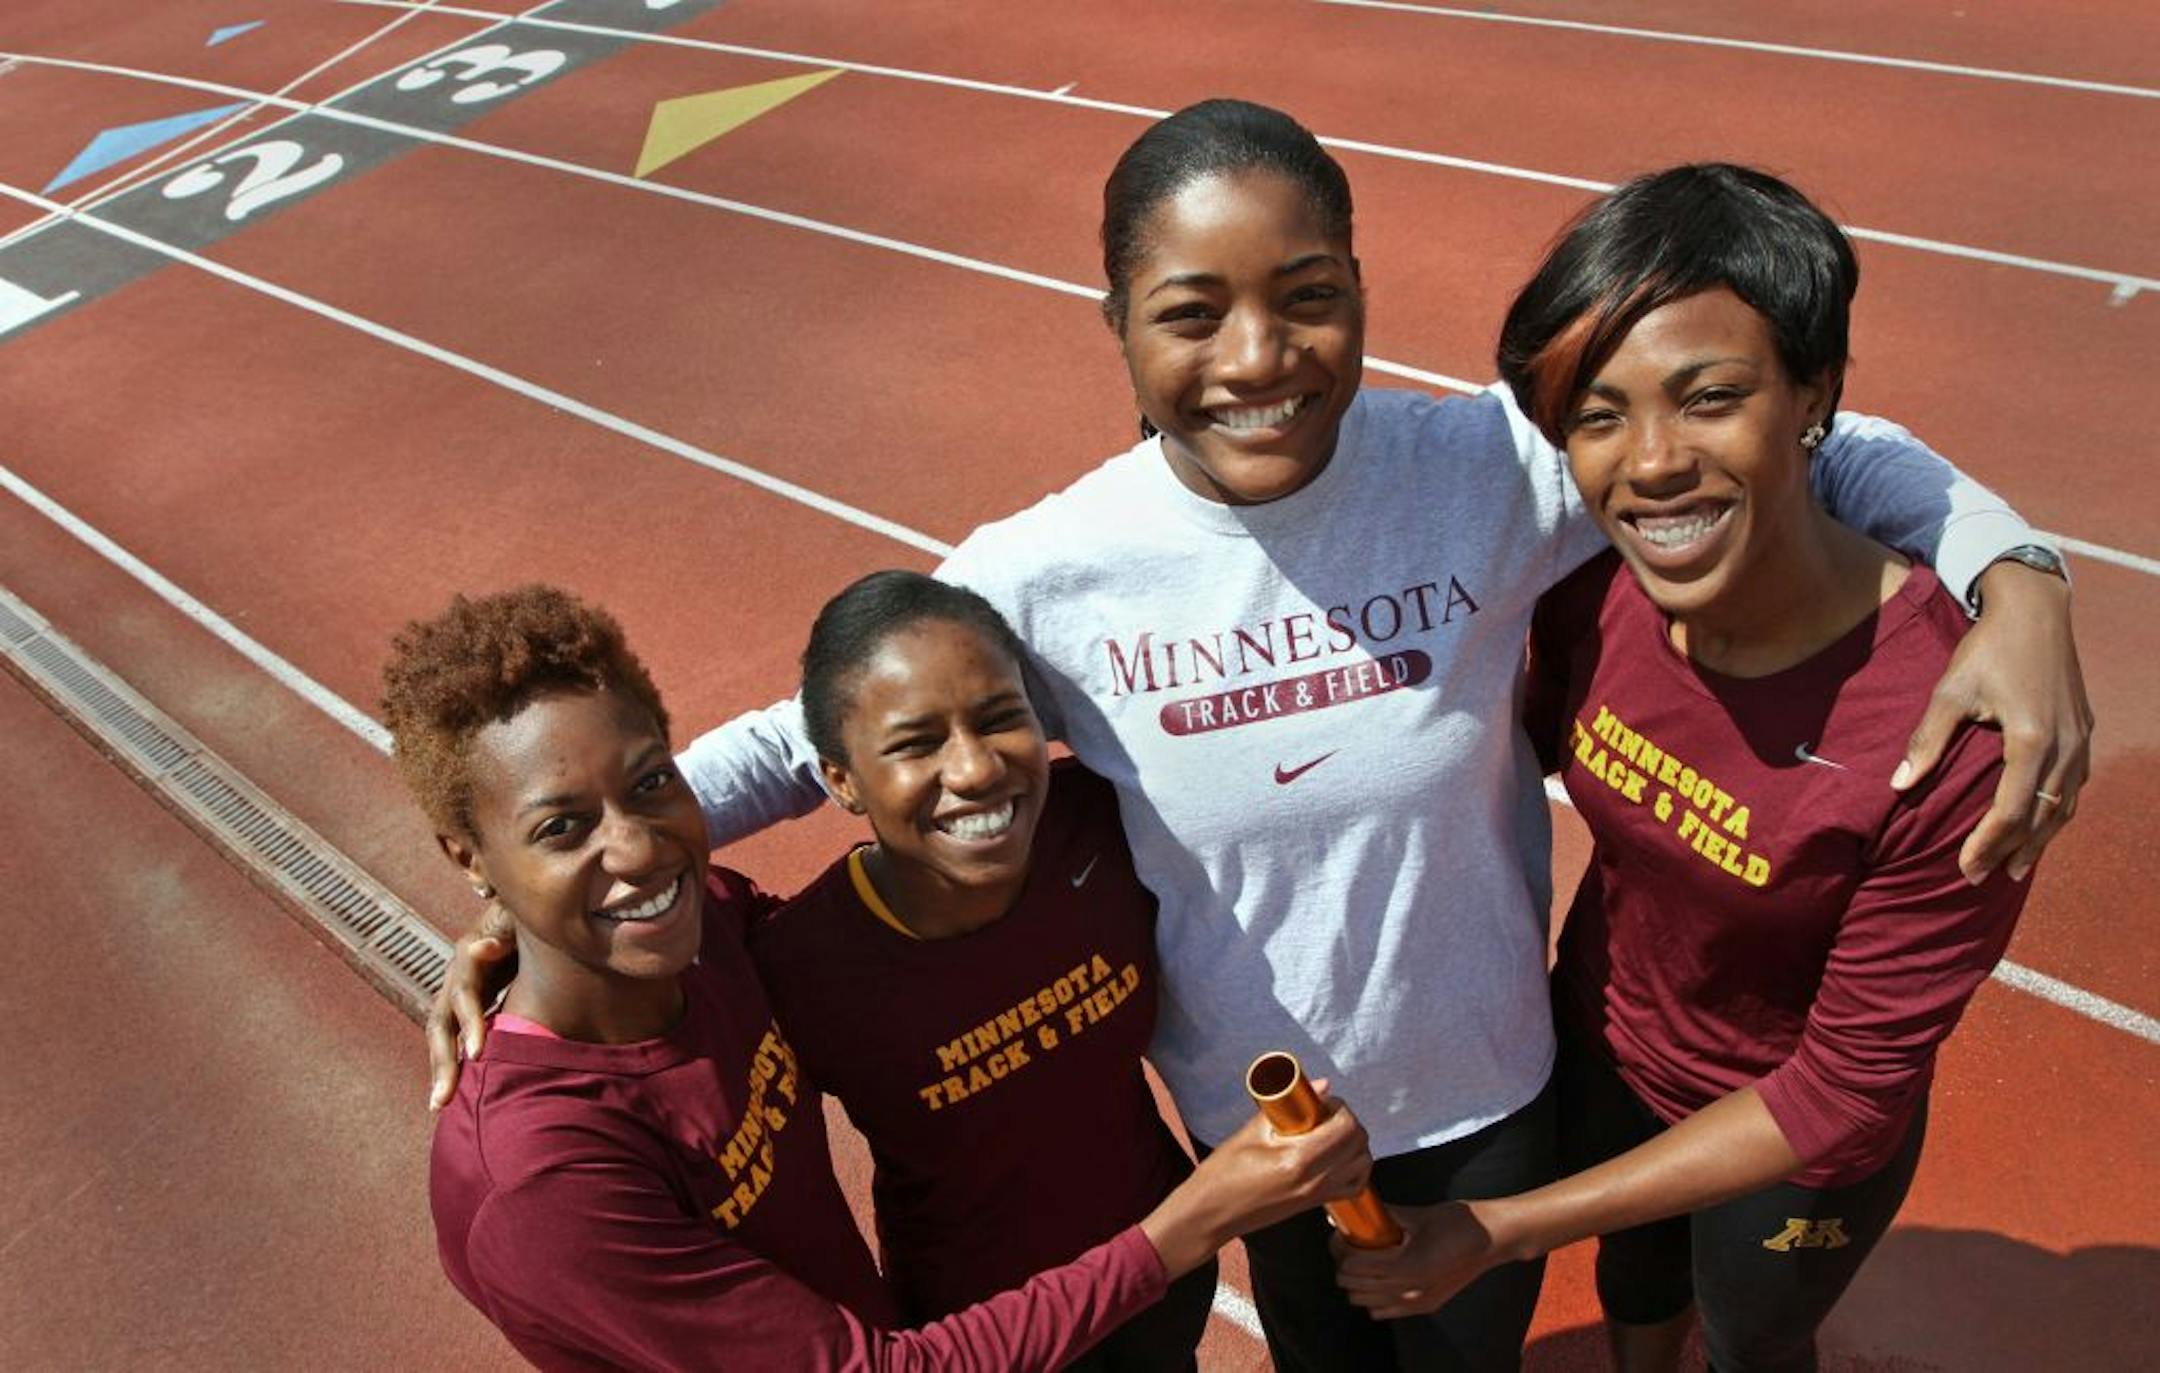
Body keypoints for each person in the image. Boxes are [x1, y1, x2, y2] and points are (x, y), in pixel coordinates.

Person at [429, 101, 2087, 1371]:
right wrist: (575, 875)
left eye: (1305, 298)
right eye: (1190, 313)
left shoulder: (1490, 468)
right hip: (1260, 1122)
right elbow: (810, 742)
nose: (1256, 360)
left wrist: (2016, 577)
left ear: (1360, 289)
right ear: (1117, 327)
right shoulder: (1041, 572)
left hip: (1499, 1084)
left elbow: (1806, 431)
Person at [1335, 164, 2040, 1372]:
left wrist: (1499, 1228)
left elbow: (1842, 1093)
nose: (1651, 462)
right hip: (1601, 1041)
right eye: (1599, 416)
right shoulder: (1597, 588)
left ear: (1815, 394)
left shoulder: (1959, 730)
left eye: (1709, 397)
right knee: (1639, 1282)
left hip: (1792, 1137)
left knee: (1757, 1339)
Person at [384, 584, 1372, 1371]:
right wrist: (1195, 1219)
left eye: (653, 782)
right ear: (468, 854)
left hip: (1081, 1302)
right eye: (561, 825)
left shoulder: (713, 934)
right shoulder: (541, 1179)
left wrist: (519, 921)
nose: (637, 848)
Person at [751, 569, 1215, 1369]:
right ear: (840, 780)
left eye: (1002, 719)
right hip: (985, 1337)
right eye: (915, 742)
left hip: (1164, 1270)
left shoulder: (1107, 823)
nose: (973, 769)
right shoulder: (798, 968)